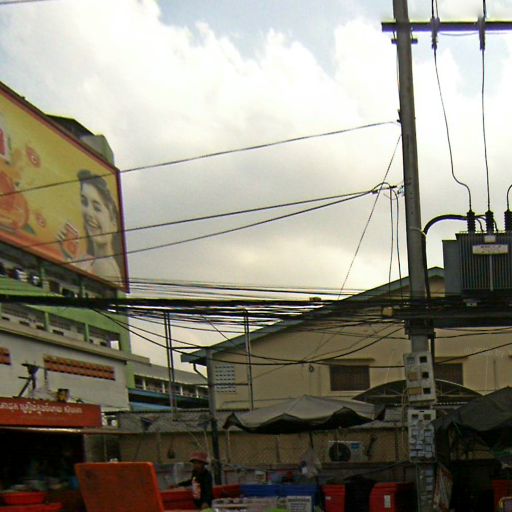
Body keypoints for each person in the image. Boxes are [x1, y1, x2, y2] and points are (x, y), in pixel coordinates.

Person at [75, 169, 123, 284]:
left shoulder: (102, 265)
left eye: (97, 208)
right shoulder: (92, 260)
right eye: (84, 202)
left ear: (114, 223)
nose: (89, 213)